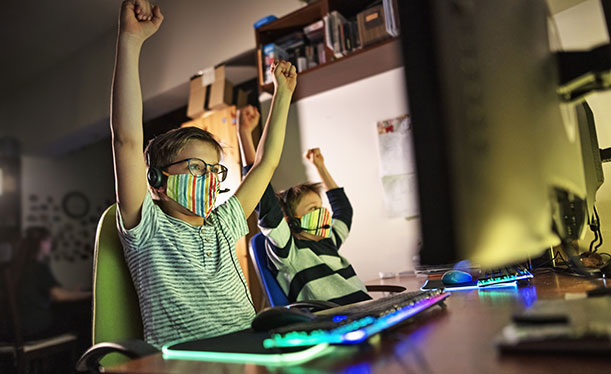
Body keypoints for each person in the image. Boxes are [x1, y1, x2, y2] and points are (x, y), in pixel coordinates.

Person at [111, 0, 296, 348]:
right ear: (157, 182)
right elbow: (126, 139)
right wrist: (130, 40)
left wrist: (282, 96)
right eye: (196, 167)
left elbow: (265, 164)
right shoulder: (147, 227)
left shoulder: (223, 224)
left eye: (214, 170)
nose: (209, 178)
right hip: (192, 360)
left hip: (252, 348)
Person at [237, 112, 371, 306]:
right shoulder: (288, 250)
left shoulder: (329, 240)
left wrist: (320, 166)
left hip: (365, 310)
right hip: (335, 320)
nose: (322, 213)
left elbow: (343, 210)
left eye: (320, 206)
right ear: (292, 220)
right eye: (312, 208)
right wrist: (244, 134)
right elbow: (264, 199)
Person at [9, 227, 91, 345]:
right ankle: (86, 361)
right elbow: (59, 296)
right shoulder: (38, 267)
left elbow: (39, 297)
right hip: (36, 328)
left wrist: (71, 293)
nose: (50, 245)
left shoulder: (21, 267)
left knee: (68, 314)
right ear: (42, 243)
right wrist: (92, 294)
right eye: (49, 241)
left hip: (23, 328)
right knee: (81, 319)